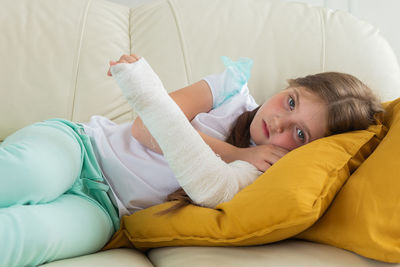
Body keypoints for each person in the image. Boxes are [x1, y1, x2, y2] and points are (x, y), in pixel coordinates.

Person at [0, 54, 383, 266]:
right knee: (26, 174)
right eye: (291, 102)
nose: (279, 123)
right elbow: (144, 128)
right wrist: (237, 153)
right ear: (289, 87)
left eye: (299, 134)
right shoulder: (230, 91)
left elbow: (212, 187)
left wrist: (247, 162)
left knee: (27, 237)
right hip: (81, 147)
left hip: (104, 209)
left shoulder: (261, 174)